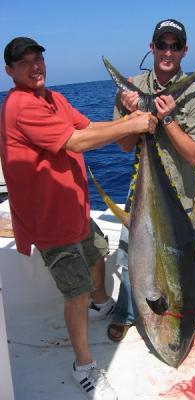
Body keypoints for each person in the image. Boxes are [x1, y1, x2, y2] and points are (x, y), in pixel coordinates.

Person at [0, 37, 157, 400]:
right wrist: (134, 126)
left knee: (99, 250)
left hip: (73, 206)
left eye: (38, 58)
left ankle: (101, 304)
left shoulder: (54, 99)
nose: (34, 65)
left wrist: (131, 119)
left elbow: (87, 127)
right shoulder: (20, 106)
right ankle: (83, 365)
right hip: (49, 221)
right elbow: (76, 143)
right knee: (75, 293)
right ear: (9, 71)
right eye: (24, 62)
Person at [107, 19, 195, 343]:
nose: (168, 51)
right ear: (152, 47)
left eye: (175, 46)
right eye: (162, 44)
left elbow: (193, 156)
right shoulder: (130, 89)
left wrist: (168, 118)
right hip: (143, 195)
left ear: (184, 50)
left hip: (186, 197)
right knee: (130, 256)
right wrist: (130, 114)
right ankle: (126, 314)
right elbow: (122, 145)